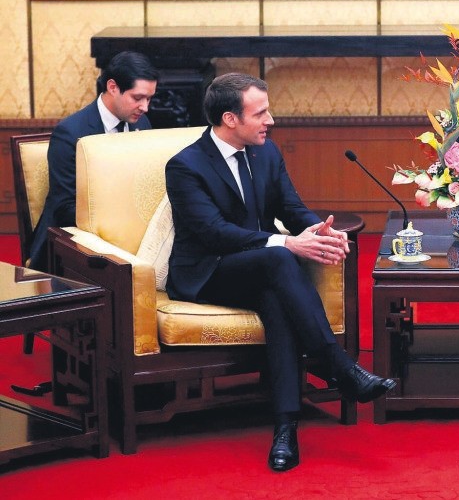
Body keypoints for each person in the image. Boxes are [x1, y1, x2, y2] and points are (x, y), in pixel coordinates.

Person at [164, 73, 395, 473]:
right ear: (230, 119)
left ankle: (285, 430)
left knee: (276, 297)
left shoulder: (265, 153)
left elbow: (291, 208)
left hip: (258, 268)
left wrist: (321, 231)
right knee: (279, 258)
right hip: (207, 272)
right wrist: (287, 243)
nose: (270, 120)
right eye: (261, 113)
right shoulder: (186, 166)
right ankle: (338, 367)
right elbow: (213, 234)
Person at [28, 51, 159, 271]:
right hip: (71, 244)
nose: (145, 107)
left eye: (149, 98)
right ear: (112, 87)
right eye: (138, 98)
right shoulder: (70, 133)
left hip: (128, 240)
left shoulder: (142, 123)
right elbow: (64, 207)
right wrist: (118, 222)